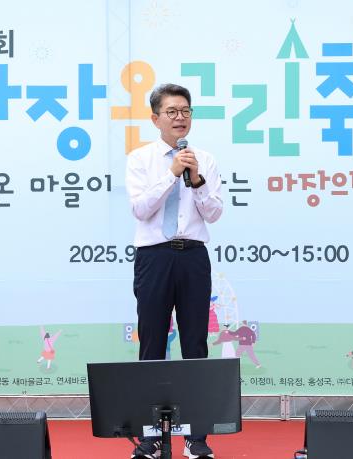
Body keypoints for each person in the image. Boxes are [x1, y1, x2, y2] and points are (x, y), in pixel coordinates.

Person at [126, 83, 223, 459]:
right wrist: (171, 174)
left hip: (193, 257)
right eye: (172, 112)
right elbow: (141, 209)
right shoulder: (140, 159)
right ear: (156, 119)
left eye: (185, 111)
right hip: (154, 257)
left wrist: (195, 180)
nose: (180, 117)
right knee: (152, 343)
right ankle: (150, 436)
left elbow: (214, 213)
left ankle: (196, 437)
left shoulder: (205, 160)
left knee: (196, 344)